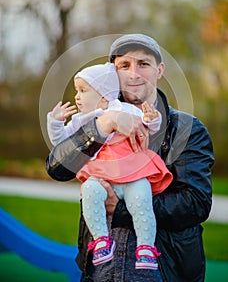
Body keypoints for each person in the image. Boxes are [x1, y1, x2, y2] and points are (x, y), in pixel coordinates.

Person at [46, 33, 214, 282]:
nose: (134, 73)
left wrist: (121, 209)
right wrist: (105, 125)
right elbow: (57, 168)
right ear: (113, 74)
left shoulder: (187, 129)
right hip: (100, 269)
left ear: (159, 70)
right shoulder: (94, 119)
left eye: (143, 64)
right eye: (124, 65)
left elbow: (196, 203)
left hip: (162, 269)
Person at [47, 62, 173, 270]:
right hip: (101, 176)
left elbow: (149, 125)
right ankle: (101, 240)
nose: (77, 96)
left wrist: (152, 118)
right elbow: (61, 144)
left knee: (141, 201)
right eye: (77, 91)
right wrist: (55, 122)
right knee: (89, 191)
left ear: (104, 96)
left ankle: (146, 247)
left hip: (133, 173)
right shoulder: (81, 121)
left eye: (83, 91)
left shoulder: (123, 108)